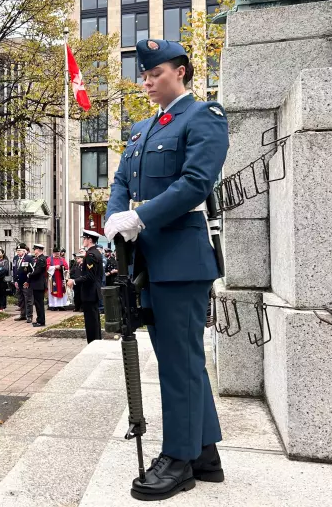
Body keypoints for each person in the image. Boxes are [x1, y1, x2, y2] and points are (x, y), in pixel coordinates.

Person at [104, 38, 229, 499]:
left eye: (154, 73)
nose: (147, 81)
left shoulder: (203, 117)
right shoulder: (142, 129)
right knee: (181, 360)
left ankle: (178, 460)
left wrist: (142, 215)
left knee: (179, 362)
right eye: (144, 74)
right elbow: (120, 181)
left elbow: (196, 182)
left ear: (180, 71)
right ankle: (205, 454)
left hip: (181, 258)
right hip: (147, 260)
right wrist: (118, 217)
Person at [67, 231, 103, 343]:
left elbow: (90, 276)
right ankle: (97, 341)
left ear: (90, 240)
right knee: (94, 319)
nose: (83, 240)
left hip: (90, 292)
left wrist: (74, 281)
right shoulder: (96, 252)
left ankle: (93, 343)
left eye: (85, 238)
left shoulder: (91, 255)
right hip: (93, 291)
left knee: (91, 321)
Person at [27, 243, 47, 327]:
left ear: (38, 250)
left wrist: (30, 275)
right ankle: (39, 319)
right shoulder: (38, 259)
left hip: (39, 284)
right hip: (36, 284)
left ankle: (41, 321)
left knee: (39, 304)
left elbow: (38, 271)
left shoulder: (41, 259)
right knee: (38, 303)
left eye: (35, 249)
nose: (34, 251)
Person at [13, 244, 34, 322]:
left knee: (28, 299)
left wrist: (28, 281)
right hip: (18, 282)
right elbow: (14, 270)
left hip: (26, 282)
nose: (18, 252)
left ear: (24, 251)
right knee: (21, 299)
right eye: (17, 251)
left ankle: (29, 316)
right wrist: (15, 280)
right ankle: (22, 314)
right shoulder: (15, 258)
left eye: (19, 251)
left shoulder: (29, 258)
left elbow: (32, 271)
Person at [47, 247, 69, 311]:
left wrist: (63, 268)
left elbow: (66, 267)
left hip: (61, 277)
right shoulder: (49, 259)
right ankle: (54, 305)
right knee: (53, 290)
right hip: (52, 278)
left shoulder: (62, 259)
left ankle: (61, 305)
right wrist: (55, 267)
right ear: (53, 253)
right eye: (56, 253)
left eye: (58, 253)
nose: (57, 254)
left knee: (61, 290)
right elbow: (47, 267)